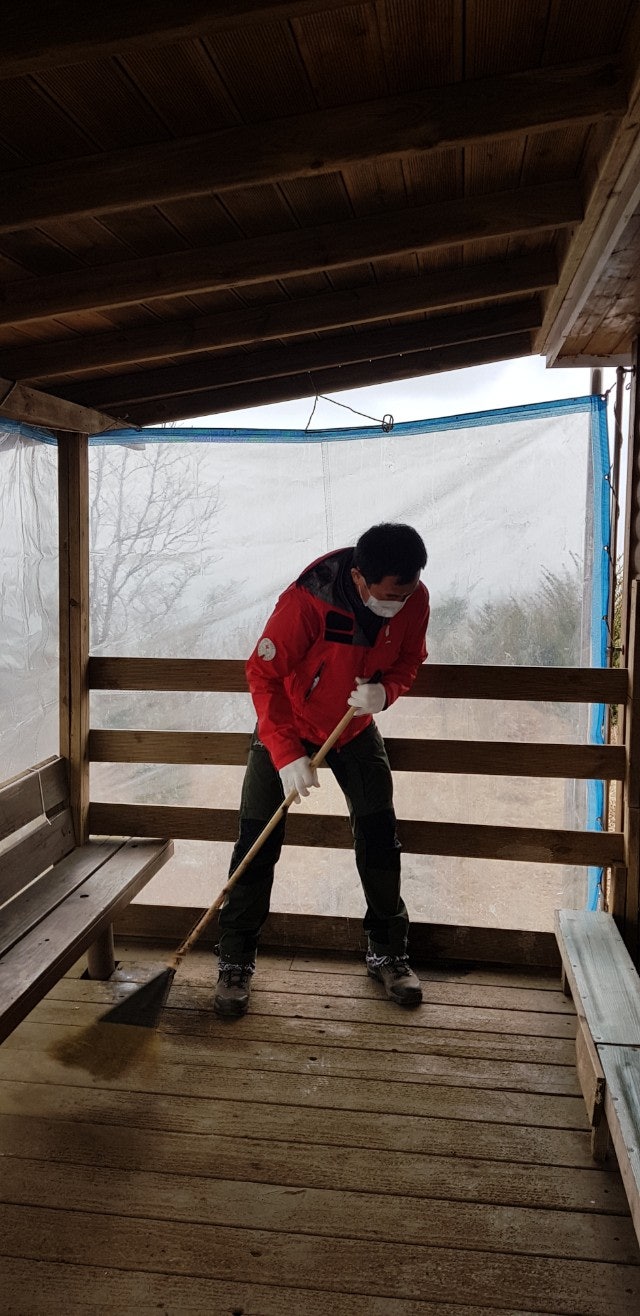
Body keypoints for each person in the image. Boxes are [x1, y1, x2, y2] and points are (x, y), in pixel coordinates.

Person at [214, 522, 430, 1018]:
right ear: (358, 578)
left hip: (353, 728)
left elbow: (409, 659)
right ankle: (234, 959)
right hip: (288, 723)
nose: (401, 603)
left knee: (379, 835)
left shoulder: (413, 597)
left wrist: (386, 693)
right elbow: (262, 674)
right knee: (257, 837)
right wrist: (285, 753)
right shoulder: (308, 601)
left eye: (408, 592)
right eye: (391, 595)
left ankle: (388, 952)